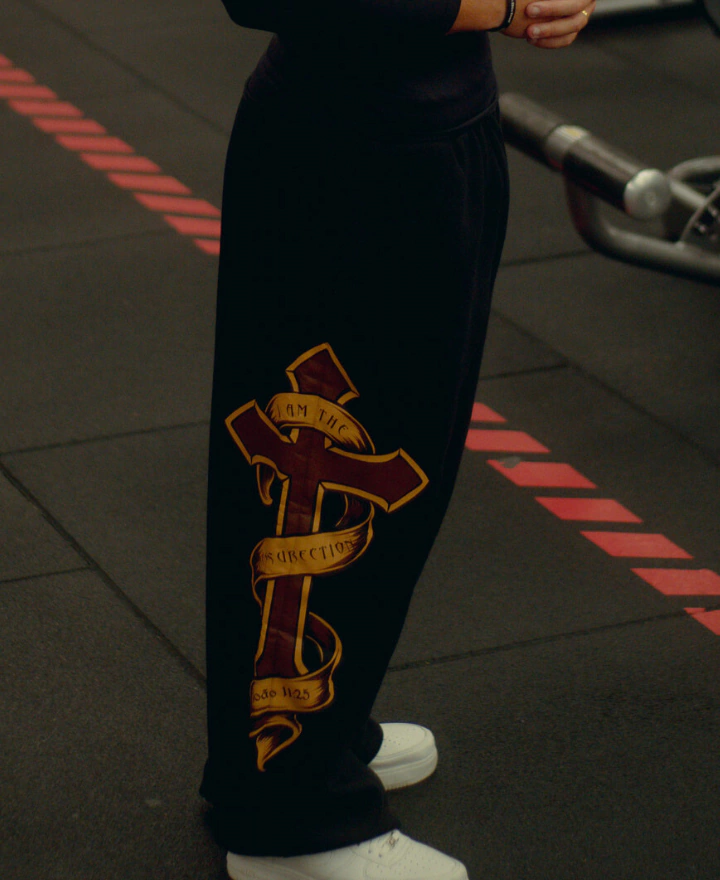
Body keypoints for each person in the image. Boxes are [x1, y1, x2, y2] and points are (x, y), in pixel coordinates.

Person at [200, 0, 594, 876]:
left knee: (404, 467)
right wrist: (504, 5)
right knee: (311, 483)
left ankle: (305, 738)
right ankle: (288, 817)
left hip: (436, 128)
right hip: (347, 154)